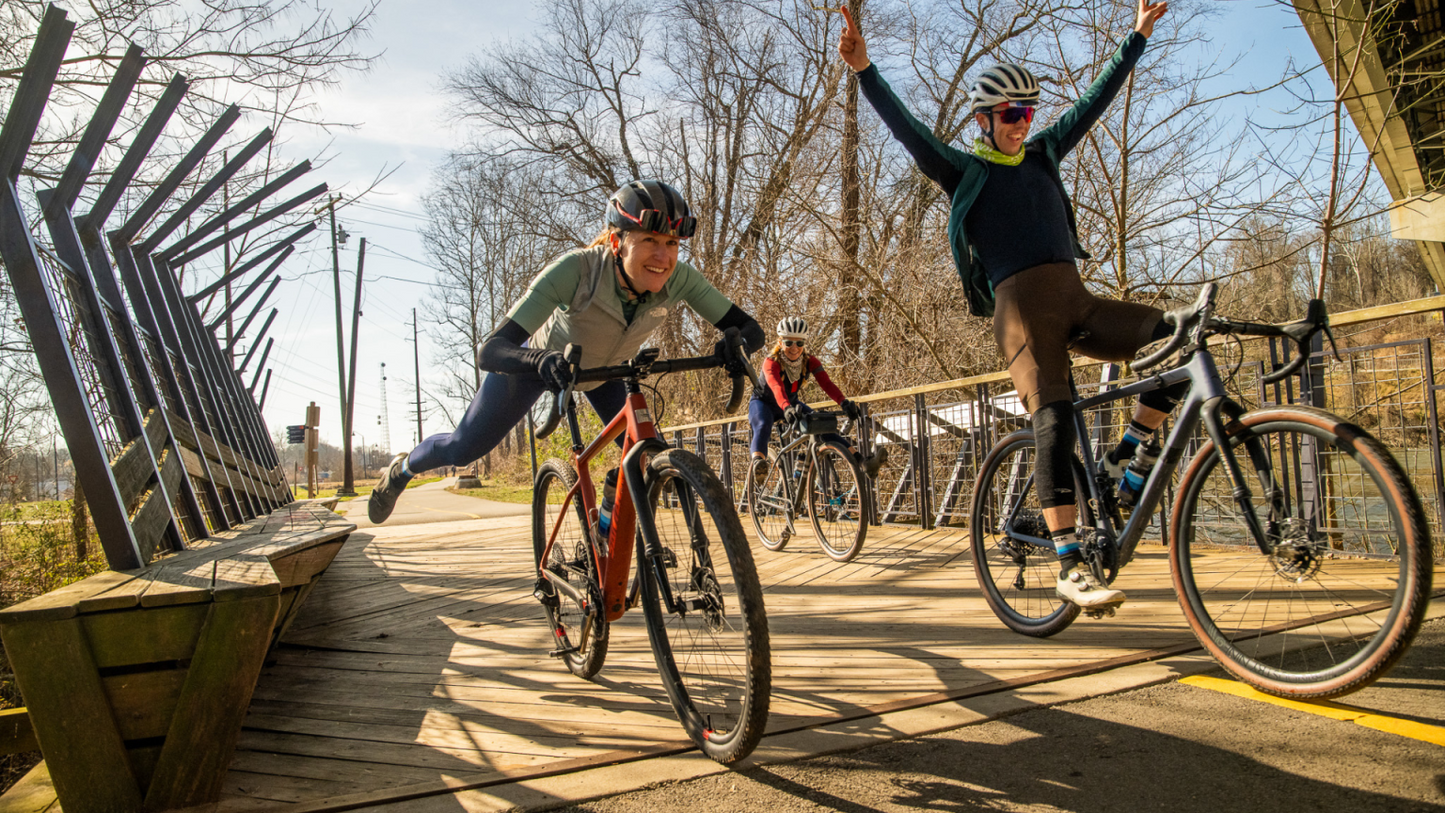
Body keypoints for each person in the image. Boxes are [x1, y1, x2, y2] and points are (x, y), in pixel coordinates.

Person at [837, 1, 1183, 612]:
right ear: (984, 119)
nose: (1023, 124)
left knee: (1174, 337)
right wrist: (866, 71)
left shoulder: (1045, 153)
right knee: (1053, 417)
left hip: (1076, 300)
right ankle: (1070, 564)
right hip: (1022, 316)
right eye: (1011, 115)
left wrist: (1136, 36)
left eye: (1028, 112)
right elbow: (909, 131)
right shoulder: (965, 170)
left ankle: (1126, 463)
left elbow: (1094, 102)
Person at [367, 180, 766, 523]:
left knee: (646, 457)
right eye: (649, 240)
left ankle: (608, 521)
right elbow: (490, 350)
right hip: (537, 366)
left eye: (671, 244)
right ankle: (402, 470)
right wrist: (541, 360)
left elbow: (751, 328)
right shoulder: (576, 270)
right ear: (616, 241)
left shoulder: (680, 278)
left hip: (606, 371)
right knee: (464, 447)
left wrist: (735, 344)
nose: (663, 257)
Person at [748, 317, 886, 478]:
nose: (794, 348)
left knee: (824, 427)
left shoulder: (810, 361)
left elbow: (827, 384)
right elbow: (776, 386)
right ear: (780, 342)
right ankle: (759, 464)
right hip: (764, 403)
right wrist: (786, 407)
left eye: (799, 343)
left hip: (790, 405)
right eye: (789, 343)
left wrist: (843, 402)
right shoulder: (771, 362)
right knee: (763, 424)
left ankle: (864, 462)